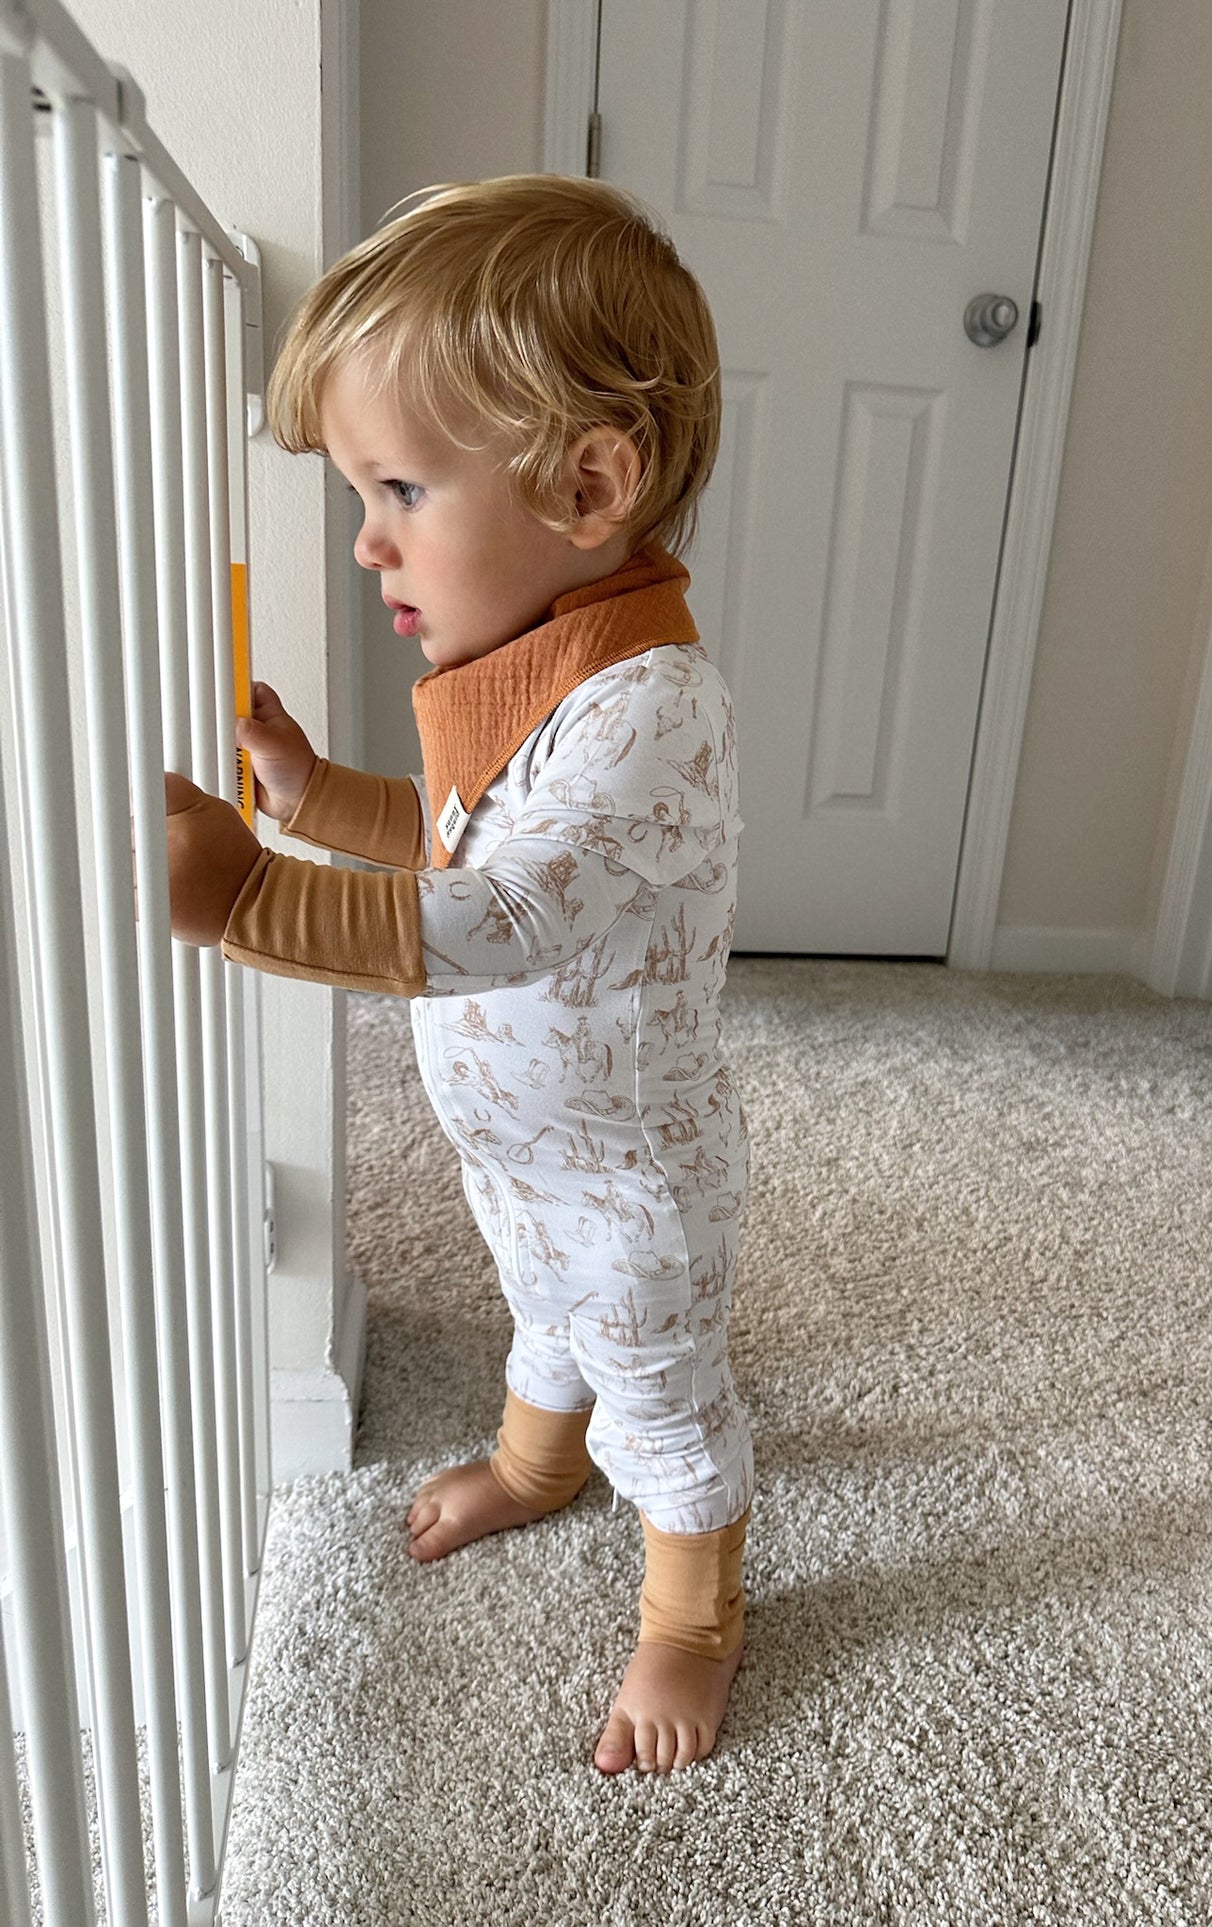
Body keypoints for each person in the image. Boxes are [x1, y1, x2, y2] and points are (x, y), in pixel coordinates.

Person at [164, 175, 754, 1776]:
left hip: (634, 1172)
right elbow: (453, 841)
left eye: (400, 489)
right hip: (526, 1143)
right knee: (539, 1323)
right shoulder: (533, 676)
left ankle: (692, 1616)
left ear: (588, 482)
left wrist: (247, 904)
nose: (364, 542)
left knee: (653, 1383)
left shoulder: (646, 711)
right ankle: (532, 1461)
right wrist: (305, 799)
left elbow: (499, 918)